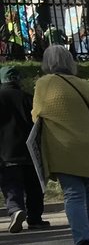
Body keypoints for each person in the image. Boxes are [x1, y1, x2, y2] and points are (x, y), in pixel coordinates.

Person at [31, 46, 89, 245]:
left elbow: (37, 116)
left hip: (63, 147)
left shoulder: (43, 84)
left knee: (73, 193)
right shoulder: (82, 84)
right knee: (86, 190)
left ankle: (83, 242)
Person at [0, 65, 48, 232]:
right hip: (29, 150)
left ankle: (15, 210)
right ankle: (35, 218)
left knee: (11, 184)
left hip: (6, 152)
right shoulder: (29, 98)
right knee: (33, 186)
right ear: (18, 80)